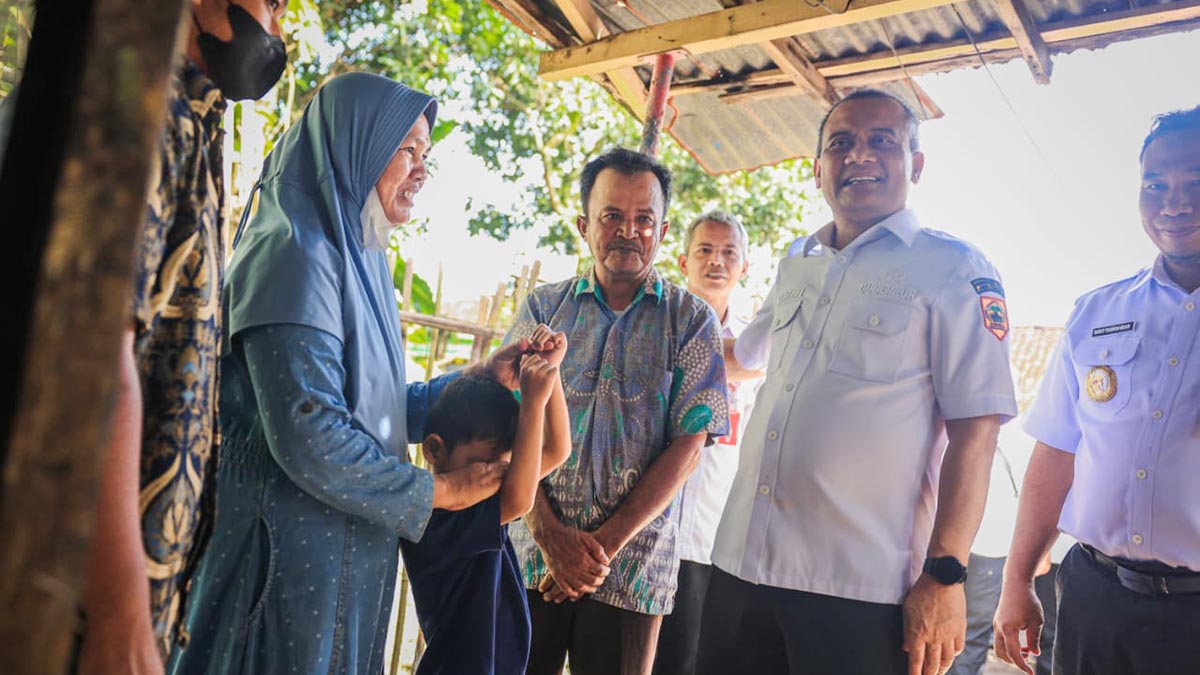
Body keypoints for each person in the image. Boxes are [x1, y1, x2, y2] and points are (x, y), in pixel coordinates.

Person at [167, 72, 521, 674]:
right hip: (282, 554)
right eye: (405, 149)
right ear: (352, 142)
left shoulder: (362, 257)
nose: (421, 170)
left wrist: (480, 372)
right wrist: (439, 492)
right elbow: (309, 431)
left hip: (339, 556)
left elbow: (370, 404)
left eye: (425, 154)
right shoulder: (294, 253)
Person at [698, 89, 1018, 675]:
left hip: (858, 590)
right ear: (818, 166)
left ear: (915, 164)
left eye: (881, 142)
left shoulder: (953, 268)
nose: (857, 156)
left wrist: (945, 574)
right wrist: (645, 322)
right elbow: (740, 357)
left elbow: (978, 432)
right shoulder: (799, 261)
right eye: (839, 143)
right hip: (740, 567)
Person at [78, 2, 289, 672]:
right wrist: (119, 610)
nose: (279, 27)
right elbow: (90, 356)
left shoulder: (190, 123)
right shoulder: (146, 113)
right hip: (87, 591)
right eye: (275, 3)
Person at [506, 147, 730, 675]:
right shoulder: (544, 309)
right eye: (612, 216)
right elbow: (508, 424)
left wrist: (596, 551)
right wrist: (550, 535)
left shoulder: (693, 320)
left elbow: (690, 445)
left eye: (643, 219)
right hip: (534, 558)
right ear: (585, 224)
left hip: (633, 570)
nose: (628, 232)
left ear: (663, 229)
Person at [993, 105, 1200, 675]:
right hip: (1094, 597)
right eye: (1155, 184)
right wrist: (1017, 582)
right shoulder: (1098, 311)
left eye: (1195, 182)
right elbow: (1057, 451)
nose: (1174, 203)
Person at [402, 325, 571, 675]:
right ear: (434, 449)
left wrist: (548, 375)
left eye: (506, 465)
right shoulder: (436, 521)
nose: (496, 476)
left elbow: (555, 450)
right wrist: (533, 401)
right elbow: (522, 499)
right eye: (485, 463)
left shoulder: (478, 498)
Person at [653, 211, 760, 675]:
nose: (716, 261)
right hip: (645, 527)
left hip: (714, 535)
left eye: (728, 252)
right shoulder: (653, 328)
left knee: (691, 661)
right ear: (682, 260)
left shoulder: (760, 350)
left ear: (744, 267)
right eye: (704, 250)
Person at [947, 415, 1073, 675]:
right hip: (990, 535)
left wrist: (1040, 545)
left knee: (1054, 637)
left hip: (1050, 538)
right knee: (971, 633)